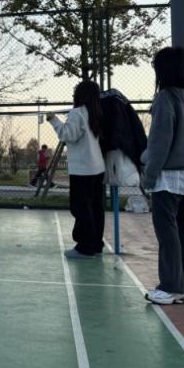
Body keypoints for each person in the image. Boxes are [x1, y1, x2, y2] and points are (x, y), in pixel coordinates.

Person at [141, 47, 184, 305]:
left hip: (167, 177)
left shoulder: (165, 98)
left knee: (167, 232)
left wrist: (149, 176)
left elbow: (159, 142)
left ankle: (171, 286)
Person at [48, 81, 105, 258]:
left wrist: (53, 120)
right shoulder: (96, 113)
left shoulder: (77, 113)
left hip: (82, 170)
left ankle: (85, 247)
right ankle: (96, 245)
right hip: (97, 168)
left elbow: (67, 135)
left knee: (80, 208)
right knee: (95, 208)